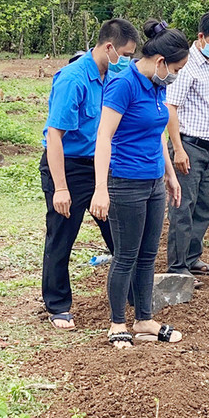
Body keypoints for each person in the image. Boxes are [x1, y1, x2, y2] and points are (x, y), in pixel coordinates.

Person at [90, 20, 186, 349]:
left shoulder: (158, 86)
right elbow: (104, 137)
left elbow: (156, 134)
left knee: (148, 255)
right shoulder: (124, 85)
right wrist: (100, 188)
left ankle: (144, 319)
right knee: (126, 256)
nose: (175, 76)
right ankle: (117, 323)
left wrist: (169, 175)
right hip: (125, 182)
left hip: (153, 182)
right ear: (161, 62)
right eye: (176, 69)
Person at [40, 19, 139, 330]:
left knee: (119, 234)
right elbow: (54, 136)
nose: (127, 60)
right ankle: (58, 305)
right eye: (125, 54)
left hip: (100, 164)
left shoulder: (114, 76)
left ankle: (135, 295)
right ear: (109, 47)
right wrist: (60, 188)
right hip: (68, 165)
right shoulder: (73, 79)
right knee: (62, 236)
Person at [166, 12, 209, 282]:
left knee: (204, 208)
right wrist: (178, 149)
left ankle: (192, 258)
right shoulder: (187, 65)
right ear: (201, 37)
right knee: (183, 207)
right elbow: (171, 107)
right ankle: (177, 266)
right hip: (189, 145)